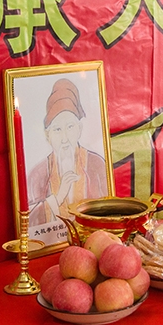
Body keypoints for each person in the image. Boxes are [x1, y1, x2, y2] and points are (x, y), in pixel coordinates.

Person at [27, 78, 108, 226]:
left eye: (70, 127)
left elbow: (109, 211)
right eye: (57, 130)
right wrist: (57, 198)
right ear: (47, 135)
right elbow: (29, 221)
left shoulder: (97, 165)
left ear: (79, 129)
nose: (64, 139)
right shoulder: (37, 175)